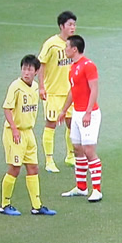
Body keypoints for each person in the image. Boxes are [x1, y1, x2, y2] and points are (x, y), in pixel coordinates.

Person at [0, 55, 56, 216]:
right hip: (14, 133)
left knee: (33, 168)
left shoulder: (36, 87)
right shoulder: (15, 87)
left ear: (36, 71)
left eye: (30, 69)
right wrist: (14, 129)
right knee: (15, 169)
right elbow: (7, 108)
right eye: (24, 68)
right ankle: (4, 204)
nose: (26, 72)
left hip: (29, 133)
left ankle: (36, 206)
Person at [58, 35, 103, 202]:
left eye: (67, 46)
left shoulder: (88, 65)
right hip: (77, 113)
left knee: (89, 150)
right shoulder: (73, 67)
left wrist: (88, 112)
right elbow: (73, 91)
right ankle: (81, 187)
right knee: (77, 148)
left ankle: (97, 189)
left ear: (74, 49)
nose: (65, 49)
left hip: (88, 113)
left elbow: (94, 89)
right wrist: (64, 110)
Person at [38, 11, 77, 172]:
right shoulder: (51, 44)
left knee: (71, 124)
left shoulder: (74, 43)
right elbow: (42, 64)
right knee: (51, 124)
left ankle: (70, 156)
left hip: (69, 92)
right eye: (69, 24)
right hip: (53, 92)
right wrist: (41, 86)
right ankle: (49, 161)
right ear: (61, 26)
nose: (73, 27)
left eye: (74, 24)